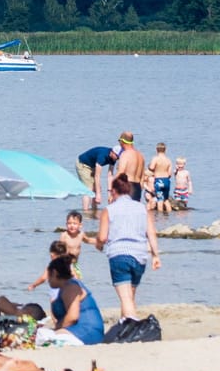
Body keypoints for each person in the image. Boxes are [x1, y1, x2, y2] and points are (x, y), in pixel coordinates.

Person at [95, 174, 160, 323]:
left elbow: (103, 237)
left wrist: (98, 245)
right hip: (140, 256)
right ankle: (125, 325)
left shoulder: (109, 210)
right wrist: (156, 256)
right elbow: (151, 233)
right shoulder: (142, 208)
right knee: (129, 297)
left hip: (119, 255)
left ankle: (133, 324)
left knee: (125, 297)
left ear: (113, 191)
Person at [42, 256, 105, 345]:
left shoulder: (71, 287)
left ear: (54, 273)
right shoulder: (66, 287)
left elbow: (72, 317)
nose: (47, 280)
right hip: (79, 328)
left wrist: (57, 329)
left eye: (48, 275)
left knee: (44, 337)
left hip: (87, 330)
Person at [75, 143, 118, 212]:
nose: (117, 158)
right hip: (82, 165)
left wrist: (110, 193)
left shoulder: (114, 158)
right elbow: (97, 176)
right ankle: (85, 213)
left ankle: (94, 212)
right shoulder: (102, 156)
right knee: (89, 189)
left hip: (92, 166)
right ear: (112, 152)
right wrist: (98, 194)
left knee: (97, 188)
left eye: (118, 157)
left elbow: (110, 175)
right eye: (116, 156)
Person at [147, 142, 173, 212]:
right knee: (166, 200)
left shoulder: (155, 158)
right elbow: (170, 174)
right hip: (166, 180)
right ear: (165, 150)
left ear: (156, 149)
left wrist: (150, 168)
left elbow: (151, 167)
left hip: (159, 180)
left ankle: (160, 217)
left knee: (160, 200)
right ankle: (169, 215)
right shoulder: (168, 160)